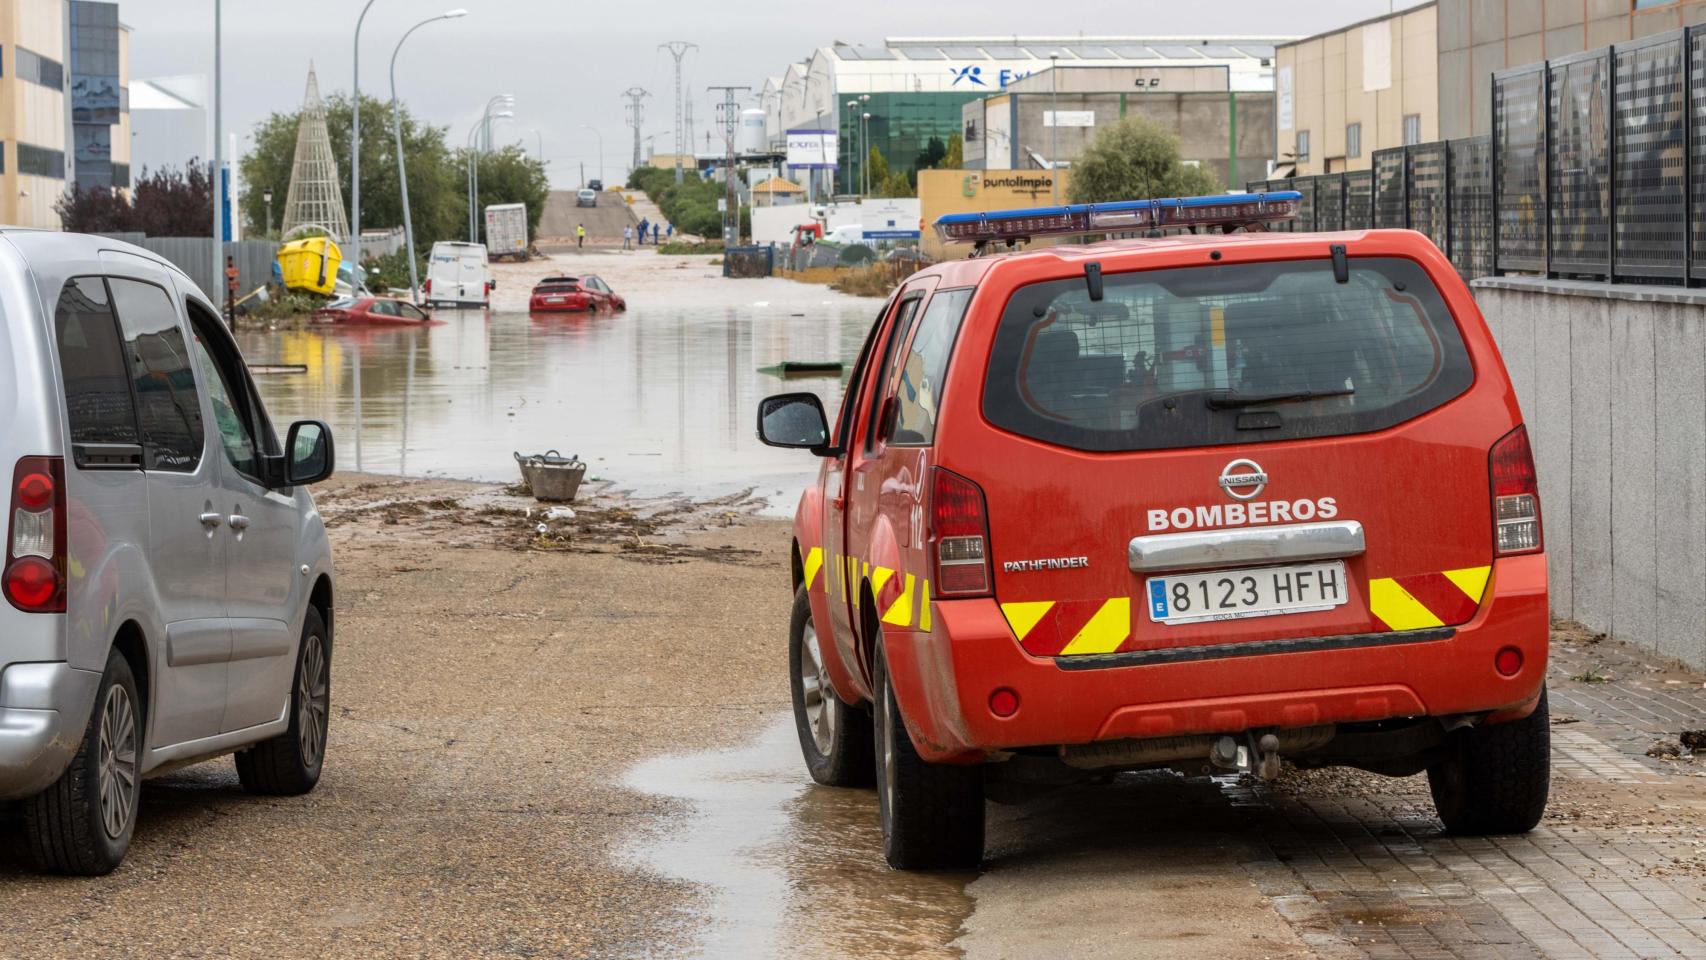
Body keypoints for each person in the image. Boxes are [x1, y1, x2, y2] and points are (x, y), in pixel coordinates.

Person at [224, 256, 241, 321]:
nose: (230, 262)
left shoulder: (231, 269)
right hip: (231, 285)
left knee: (232, 301)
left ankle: (233, 324)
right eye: (229, 261)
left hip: (232, 284)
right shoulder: (229, 269)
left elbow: (234, 273)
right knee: (231, 301)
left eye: (230, 261)